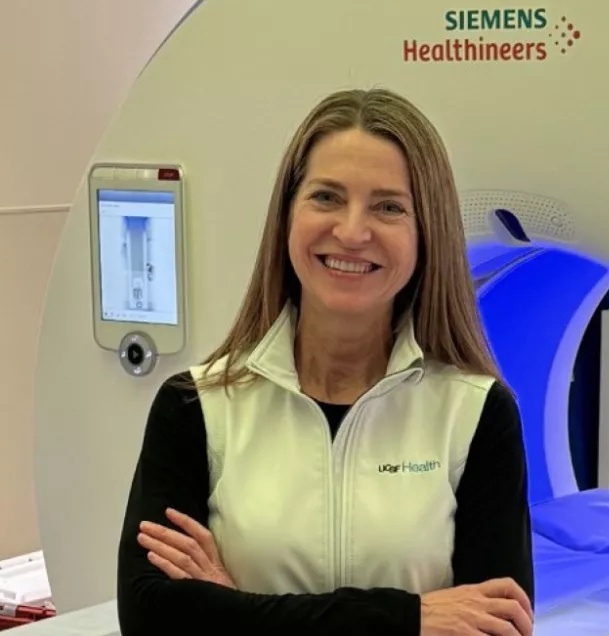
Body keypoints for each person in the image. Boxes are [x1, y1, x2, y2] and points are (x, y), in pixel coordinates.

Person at [116, 88, 535, 636]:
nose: (352, 231)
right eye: (327, 197)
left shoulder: (475, 412)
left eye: (389, 206)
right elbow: (152, 618)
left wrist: (234, 608)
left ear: (426, 230)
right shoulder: (195, 406)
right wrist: (409, 618)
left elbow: (498, 625)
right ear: (288, 214)